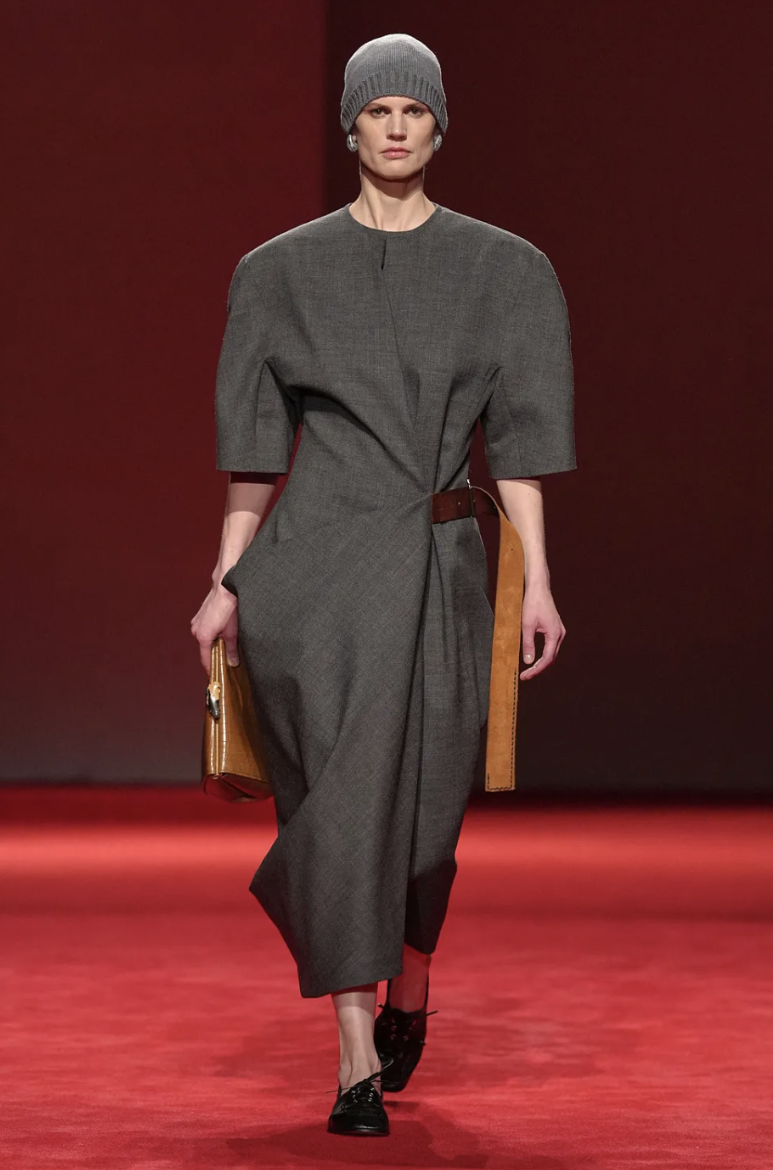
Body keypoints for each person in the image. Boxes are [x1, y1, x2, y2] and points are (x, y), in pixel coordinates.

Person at [190, 32, 576, 1137]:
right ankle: (354, 1057)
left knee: (425, 825)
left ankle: (409, 980)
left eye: (414, 110)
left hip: (445, 566)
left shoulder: (508, 269)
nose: (396, 127)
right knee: (342, 803)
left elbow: (522, 450)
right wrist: (226, 579)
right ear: (349, 126)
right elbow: (254, 453)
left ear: (438, 127)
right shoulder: (276, 271)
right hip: (314, 576)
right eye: (377, 109)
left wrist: (535, 583)